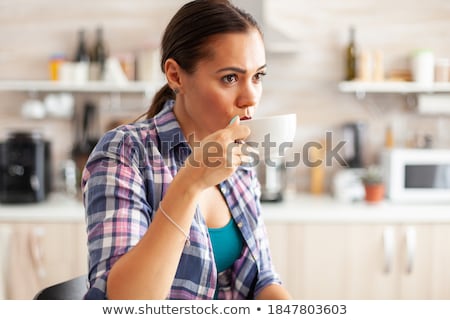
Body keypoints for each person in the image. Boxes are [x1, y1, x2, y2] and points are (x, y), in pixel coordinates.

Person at [82, 0, 291, 300]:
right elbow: (125, 304)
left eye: (257, 76)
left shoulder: (240, 160)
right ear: (176, 76)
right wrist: (190, 183)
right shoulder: (124, 153)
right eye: (230, 78)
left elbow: (262, 278)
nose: (250, 98)